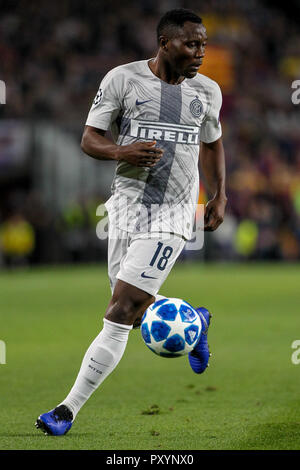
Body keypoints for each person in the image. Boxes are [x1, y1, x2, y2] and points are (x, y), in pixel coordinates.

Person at [35, 8, 227, 436]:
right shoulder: (123, 79)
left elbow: (212, 144)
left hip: (173, 214)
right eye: (191, 44)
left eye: (203, 45)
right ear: (165, 43)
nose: (200, 53)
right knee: (135, 311)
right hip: (125, 208)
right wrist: (123, 152)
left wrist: (219, 193)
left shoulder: (208, 91)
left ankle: (65, 411)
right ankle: (194, 323)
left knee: (119, 311)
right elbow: (89, 138)